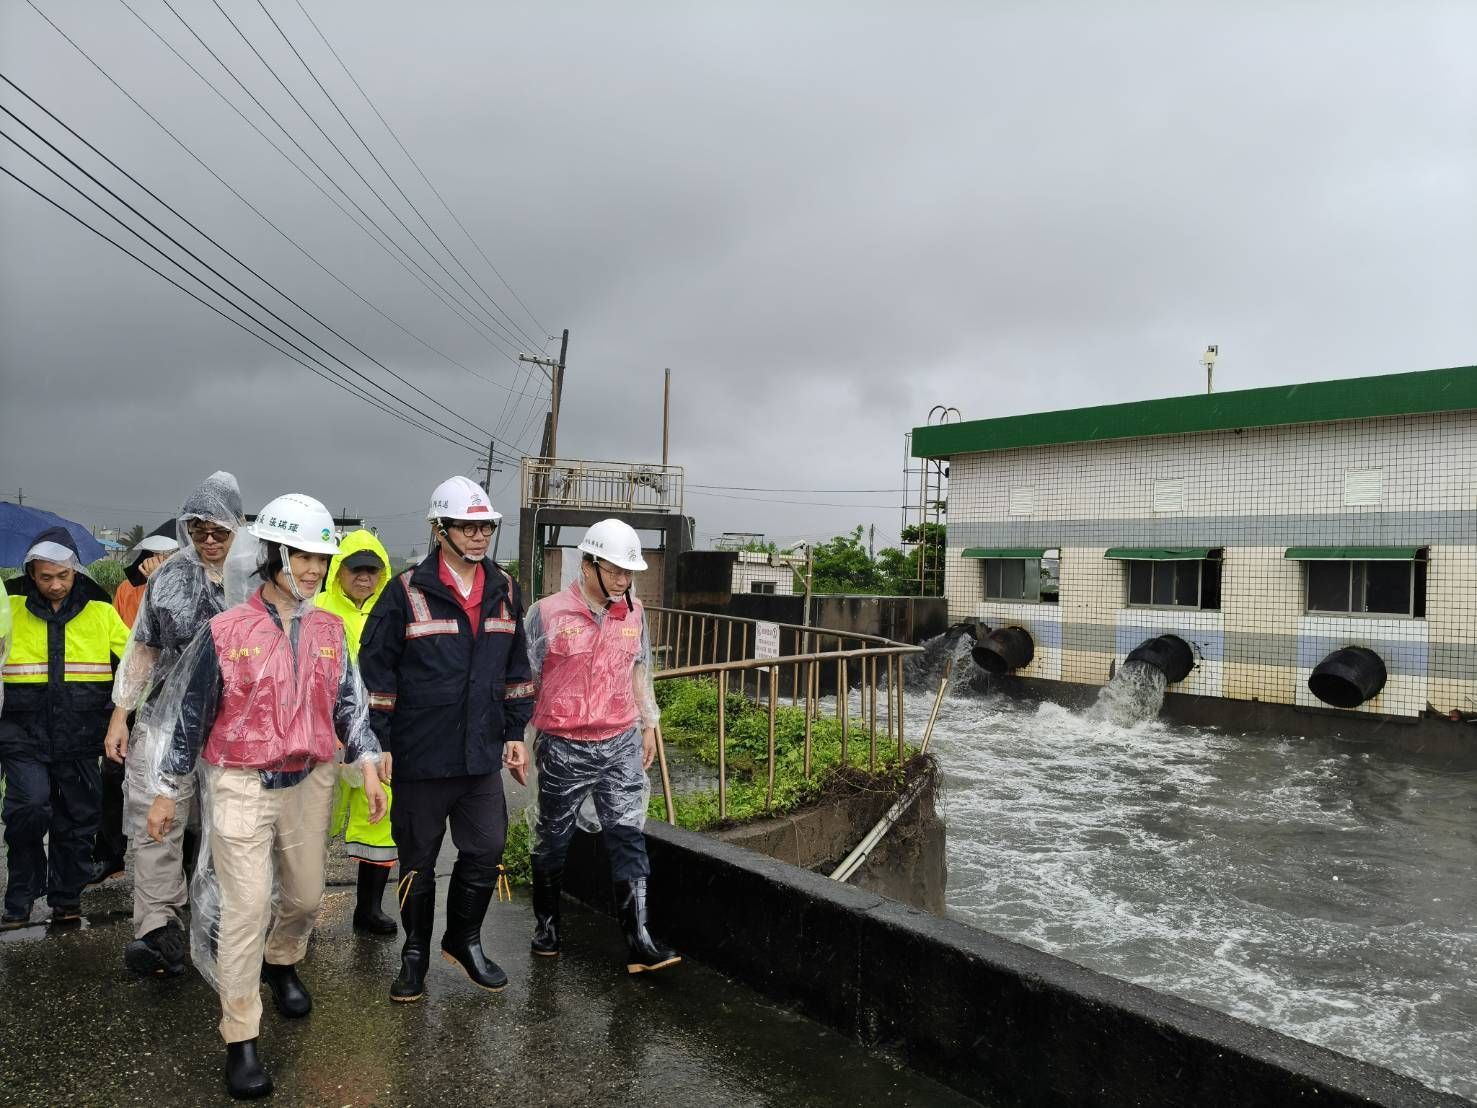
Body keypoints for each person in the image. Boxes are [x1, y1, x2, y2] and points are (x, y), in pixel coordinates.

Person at [143, 493, 386, 1100]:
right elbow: (191, 718)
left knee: (304, 899)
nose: (314, 570)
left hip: (309, 780)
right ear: (274, 555)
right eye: (303, 557)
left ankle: (283, 960)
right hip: (240, 784)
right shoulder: (226, 632)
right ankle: (241, 1037)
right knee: (246, 908)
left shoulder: (331, 630)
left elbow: (350, 705)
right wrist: (168, 791)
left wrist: (368, 764)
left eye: (321, 560)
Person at [358, 476, 534, 1003]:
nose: (478, 536)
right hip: (420, 756)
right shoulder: (405, 591)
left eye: (486, 527)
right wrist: (380, 743)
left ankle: (464, 939)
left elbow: (517, 668)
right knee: (418, 860)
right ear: (440, 530)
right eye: (466, 527)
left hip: (479, 755)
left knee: (488, 847)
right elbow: (376, 673)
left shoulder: (506, 588)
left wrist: (515, 731)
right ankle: (414, 954)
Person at [524, 519, 679, 973]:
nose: (622, 580)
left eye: (628, 572)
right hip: (563, 744)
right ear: (587, 563)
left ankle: (639, 941)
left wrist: (648, 723)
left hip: (620, 740)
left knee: (628, 833)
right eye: (613, 570)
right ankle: (547, 926)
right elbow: (524, 680)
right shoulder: (547, 613)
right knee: (552, 838)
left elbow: (640, 669)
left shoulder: (634, 613)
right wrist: (515, 738)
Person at [107, 472, 242, 977]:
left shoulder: (259, 576)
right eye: (198, 529)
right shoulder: (168, 578)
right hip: (165, 718)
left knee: (230, 828)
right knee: (155, 821)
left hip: (234, 725)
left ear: (238, 526)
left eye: (219, 530)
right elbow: (143, 649)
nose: (209, 539)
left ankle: (228, 921)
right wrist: (121, 715)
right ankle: (157, 929)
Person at [1, 528, 130, 928]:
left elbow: (134, 665)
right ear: (31, 572)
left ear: (75, 571)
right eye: (46, 577)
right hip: (22, 730)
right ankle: (20, 898)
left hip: (81, 732)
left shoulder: (99, 609)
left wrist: (121, 716)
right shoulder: (10, 604)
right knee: (28, 808)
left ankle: (66, 898)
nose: (55, 585)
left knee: (77, 819)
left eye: (63, 576)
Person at [314, 528, 398, 934]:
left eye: (372, 570)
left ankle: (369, 910)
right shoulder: (317, 609)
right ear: (339, 571)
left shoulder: (393, 610)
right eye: (355, 569)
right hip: (326, 734)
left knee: (378, 818)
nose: (364, 577)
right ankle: (302, 914)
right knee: (314, 821)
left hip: (378, 733)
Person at [93, 521, 181, 882]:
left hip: (176, 700)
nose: (155, 562)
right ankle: (110, 854)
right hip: (135, 695)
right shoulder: (128, 589)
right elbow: (132, 645)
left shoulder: (194, 585)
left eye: (166, 556)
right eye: (153, 556)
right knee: (114, 774)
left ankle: (181, 867)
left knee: (176, 782)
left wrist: (163, 585)